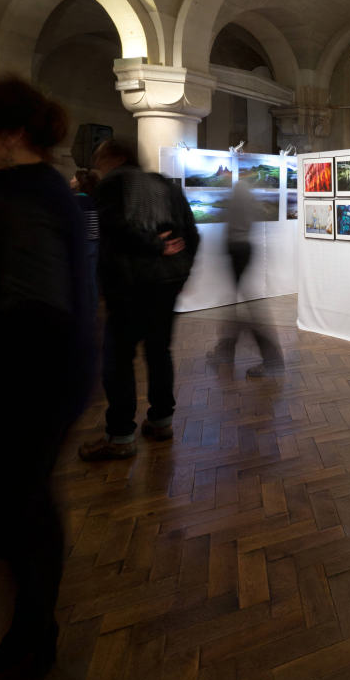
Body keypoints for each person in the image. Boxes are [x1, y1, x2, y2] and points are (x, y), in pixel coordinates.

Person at [0, 77, 94, 677]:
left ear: (10, 134)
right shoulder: (34, 192)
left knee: (20, 506)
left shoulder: (26, 200)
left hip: (31, 381)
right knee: (20, 504)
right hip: (43, 375)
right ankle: (32, 630)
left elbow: (34, 310)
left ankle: (32, 634)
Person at [78, 138, 199, 460]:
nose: (97, 166)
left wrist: (154, 246)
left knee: (118, 358)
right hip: (165, 284)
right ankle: (161, 421)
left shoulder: (112, 185)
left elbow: (115, 229)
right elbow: (191, 234)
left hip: (129, 285)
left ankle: (120, 436)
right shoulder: (165, 185)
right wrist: (181, 274)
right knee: (159, 352)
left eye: (99, 159)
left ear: (115, 157)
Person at [211, 178, 285, 377]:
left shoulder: (237, 195)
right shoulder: (248, 197)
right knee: (237, 307)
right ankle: (225, 352)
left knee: (247, 309)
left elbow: (229, 223)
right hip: (242, 250)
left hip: (237, 251)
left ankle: (272, 360)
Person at [70, 167, 100, 311]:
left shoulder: (76, 200)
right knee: (91, 279)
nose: (71, 180)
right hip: (95, 243)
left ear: (79, 182)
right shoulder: (93, 199)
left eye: (73, 178)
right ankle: (92, 310)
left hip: (83, 244)